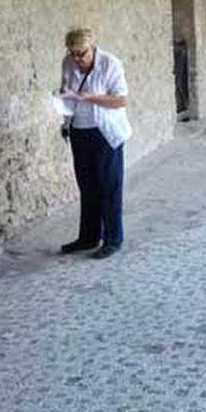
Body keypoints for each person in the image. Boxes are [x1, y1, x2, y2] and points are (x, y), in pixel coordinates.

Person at [58, 28, 132, 260]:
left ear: (92, 47)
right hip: (79, 131)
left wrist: (89, 97)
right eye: (74, 54)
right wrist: (63, 110)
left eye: (82, 53)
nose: (78, 59)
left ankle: (113, 239)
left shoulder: (110, 64)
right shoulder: (68, 63)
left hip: (105, 133)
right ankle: (88, 237)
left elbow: (120, 100)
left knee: (109, 186)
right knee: (87, 186)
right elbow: (68, 91)